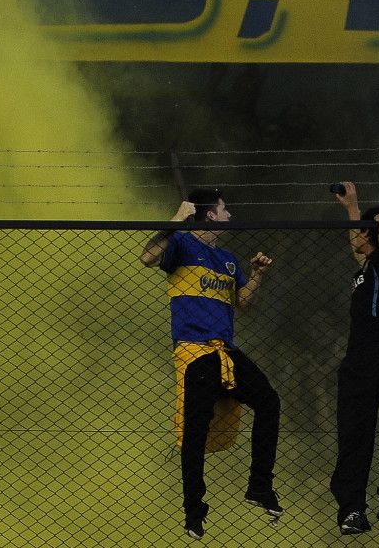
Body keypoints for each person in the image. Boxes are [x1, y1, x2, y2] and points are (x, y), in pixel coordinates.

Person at [139, 189, 280, 540]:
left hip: (226, 350)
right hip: (194, 351)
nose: (229, 215)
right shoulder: (183, 243)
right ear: (210, 216)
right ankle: (194, 511)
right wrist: (177, 217)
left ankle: (259, 486)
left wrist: (257, 274)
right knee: (194, 431)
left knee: (269, 402)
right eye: (224, 210)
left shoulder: (228, 258)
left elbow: (243, 303)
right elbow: (147, 257)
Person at [327, 181, 379, 534]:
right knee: (354, 433)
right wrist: (352, 206)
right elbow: (359, 246)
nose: (355, 235)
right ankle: (351, 509)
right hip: (358, 358)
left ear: (373, 235)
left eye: (362, 230)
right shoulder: (365, 267)